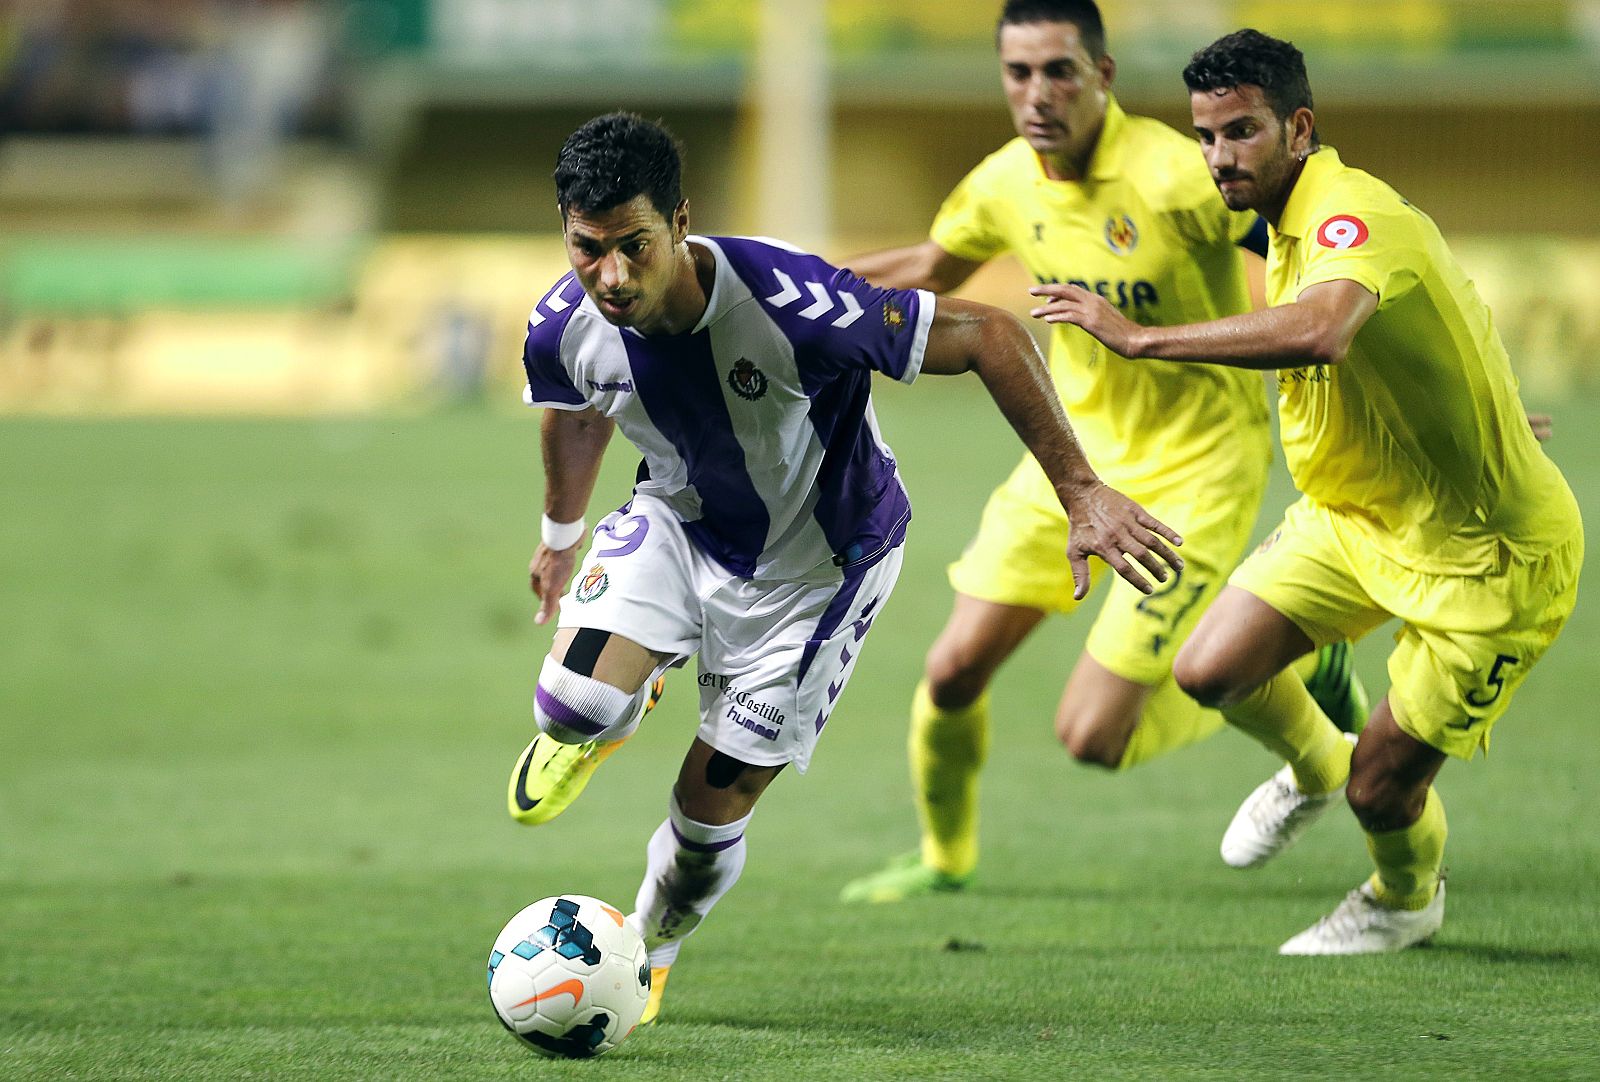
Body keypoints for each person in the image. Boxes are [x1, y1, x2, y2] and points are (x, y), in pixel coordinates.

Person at [506, 112, 1183, 1025]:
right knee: (573, 708)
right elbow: (575, 410)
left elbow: (988, 334)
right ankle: (628, 694)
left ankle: (649, 951)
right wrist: (560, 531)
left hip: (823, 569)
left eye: (635, 246)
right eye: (589, 250)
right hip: (679, 526)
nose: (612, 276)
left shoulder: (792, 304)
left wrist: (1081, 490)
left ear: (679, 222)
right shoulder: (562, 324)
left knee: (708, 814)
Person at [1032, 29, 1582, 953]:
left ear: (1300, 126)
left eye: (1240, 133)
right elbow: (1445, 309)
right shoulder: (1286, 219)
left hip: (1490, 559)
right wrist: (1488, 409)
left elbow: (1325, 330)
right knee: (1209, 669)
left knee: (1385, 787)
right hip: (1357, 519)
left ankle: (1403, 899)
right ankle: (1313, 767)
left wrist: (1139, 338)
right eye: (1205, 137)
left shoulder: (1349, 212)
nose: (1218, 158)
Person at [838, 0, 1364, 906]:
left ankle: (1299, 669)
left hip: (1199, 466)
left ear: (1103, 75)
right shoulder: (1004, 180)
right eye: (1018, 73)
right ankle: (945, 856)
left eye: (1059, 72)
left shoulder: (1176, 175)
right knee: (952, 670)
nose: (1036, 93)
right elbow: (932, 268)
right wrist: (783, 287)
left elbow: (1314, 254)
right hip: (1071, 461)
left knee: (1093, 738)